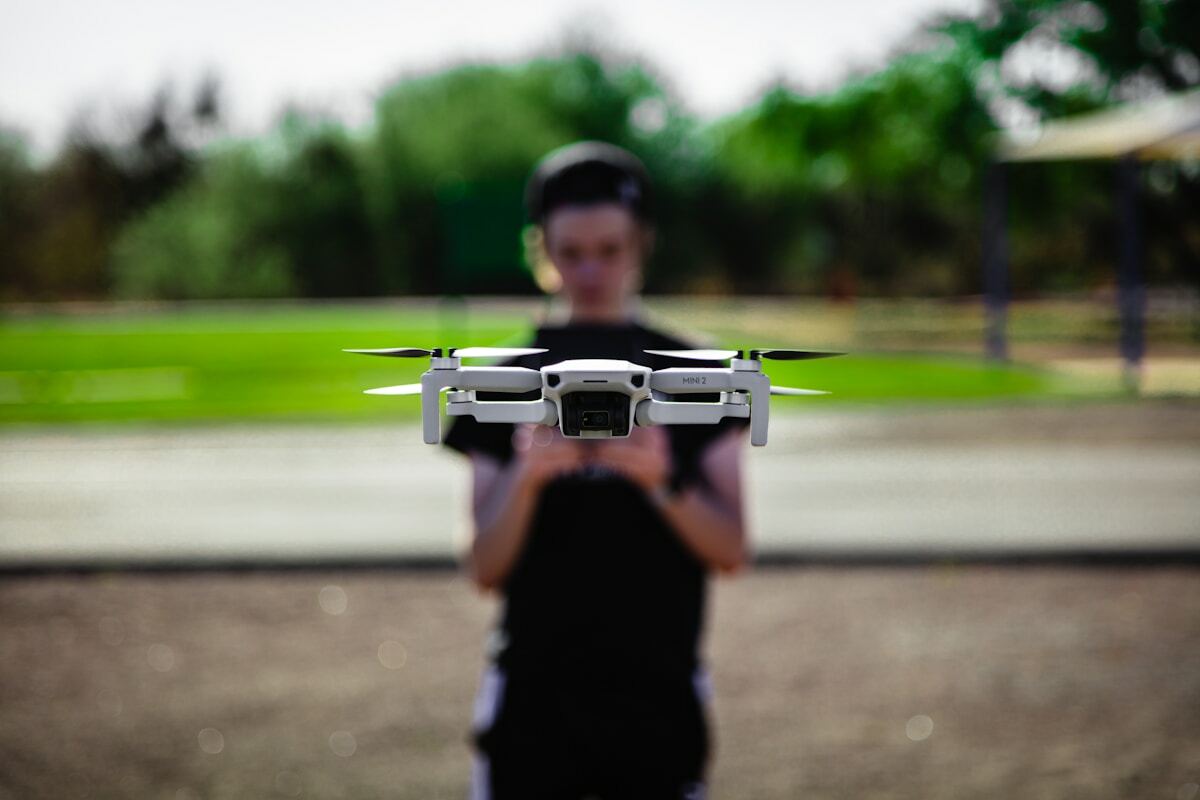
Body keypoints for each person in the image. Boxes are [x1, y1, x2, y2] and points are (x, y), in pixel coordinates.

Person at [444, 141, 748, 800]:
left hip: (657, 698)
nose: (590, 271)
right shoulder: (498, 381)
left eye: (609, 250)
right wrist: (527, 478)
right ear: (541, 249)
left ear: (642, 243)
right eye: (570, 252)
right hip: (533, 699)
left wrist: (660, 479)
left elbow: (730, 549)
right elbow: (484, 567)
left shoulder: (702, 375)